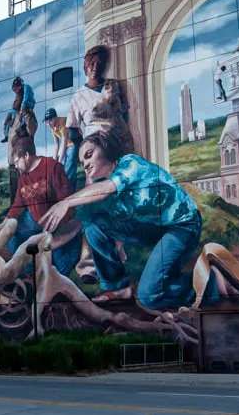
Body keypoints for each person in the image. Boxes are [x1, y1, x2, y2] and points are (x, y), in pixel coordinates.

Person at [41, 130, 206, 311]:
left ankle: (208, 280)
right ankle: (117, 287)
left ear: (105, 150)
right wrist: (41, 247)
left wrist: (66, 202)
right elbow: (74, 227)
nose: (85, 165)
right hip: (151, 228)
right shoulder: (97, 191)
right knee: (92, 224)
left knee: (148, 297)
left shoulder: (130, 164)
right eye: (81, 163)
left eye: (89, 155)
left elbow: (108, 187)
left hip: (182, 226)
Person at [6, 133, 80, 275]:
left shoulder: (52, 167)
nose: (15, 166)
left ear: (26, 156)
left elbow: (67, 202)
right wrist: (7, 222)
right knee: (11, 235)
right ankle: (28, 271)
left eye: (16, 162)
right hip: (34, 221)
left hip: (56, 223)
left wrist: (55, 229)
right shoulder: (22, 178)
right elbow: (17, 204)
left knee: (60, 263)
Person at [65, 45, 131, 183]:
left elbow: (125, 112)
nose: (95, 67)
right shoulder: (79, 96)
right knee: (100, 192)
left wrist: (120, 131)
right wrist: (86, 148)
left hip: (122, 147)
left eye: (100, 63)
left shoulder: (114, 85)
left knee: (126, 186)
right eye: (92, 63)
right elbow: (72, 130)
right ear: (85, 66)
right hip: (98, 154)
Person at [1, 77, 36, 142]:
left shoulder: (26, 88)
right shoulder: (18, 94)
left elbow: (25, 99)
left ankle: (23, 126)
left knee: (23, 109)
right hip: (18, 109)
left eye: (15, 89)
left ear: (19, 87)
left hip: (28, 104)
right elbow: (15, 105)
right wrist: (13, 117)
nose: (15, 92)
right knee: (8, 117)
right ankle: (6, 135)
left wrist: (21, 112)